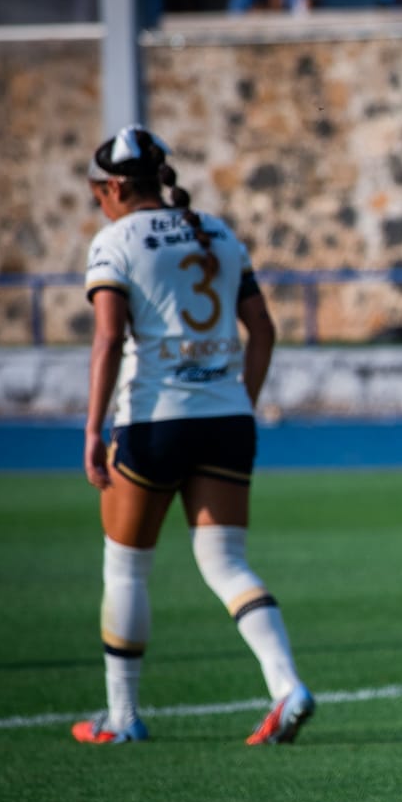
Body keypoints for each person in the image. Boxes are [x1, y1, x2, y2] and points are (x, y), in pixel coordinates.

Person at [76, 125, 314, 746]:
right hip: (225, 419)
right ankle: (287, 685)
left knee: (126, 568)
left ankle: (122, 717)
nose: (98, 203)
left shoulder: (115, 241)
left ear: (115, 188)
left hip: (153, 422)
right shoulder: (218, 231)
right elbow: (263, 330)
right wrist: (240, 402)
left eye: (97, 193)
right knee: (226, 563)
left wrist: (93, 427)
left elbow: (108, 339)